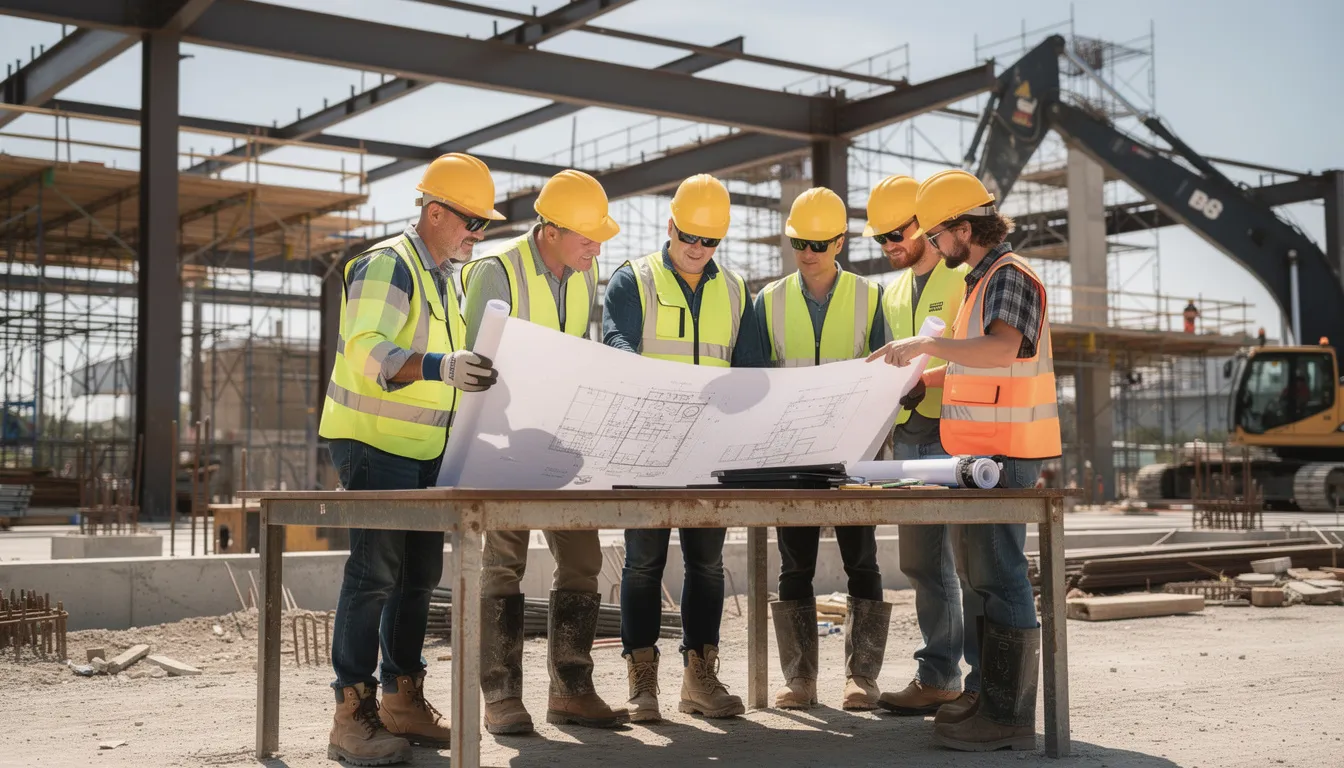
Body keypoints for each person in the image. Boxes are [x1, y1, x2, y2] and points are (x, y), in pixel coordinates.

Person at [318, 153, 502, 766]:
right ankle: (351, 714)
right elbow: (367, 349)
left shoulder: (444, 275)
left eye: (482, 225)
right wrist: (438, 367)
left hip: (425, 449)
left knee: (418, 578)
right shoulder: (388, 266)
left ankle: (402, 698)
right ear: (433, 212)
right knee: (374, 576)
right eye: (469, 223)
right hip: (374, 444)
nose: (477, 235)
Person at [868, 169, 1061, 752]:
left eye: (937, 232)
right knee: (983, 575)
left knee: (1002, 576)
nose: (934, 243)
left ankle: (1009, 714)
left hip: (1005, 455)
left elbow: (1002, 350)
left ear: (961, 227)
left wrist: (926, 344)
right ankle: (986, 695)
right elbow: (975, 361)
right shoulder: (981, 283)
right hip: (980, 455)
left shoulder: (1008, 277)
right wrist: (924, 376)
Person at [460, 169, 628, 734]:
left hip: (563, 441)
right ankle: (501, 694)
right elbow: (476, 363)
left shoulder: (585, 273)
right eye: (587, 236)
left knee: (581, 560)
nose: (596, 248)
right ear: (550, 230)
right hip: (502, 441)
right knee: (503, 560)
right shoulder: (495, 271)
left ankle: (571, 688)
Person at [604, 173, 767, 723]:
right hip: (649, 448)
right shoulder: (634, 280)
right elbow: (617, 347)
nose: (698, 249)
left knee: (708, 565)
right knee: (643, 564)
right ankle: (642, 680)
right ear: (670, 225)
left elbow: (749, 370)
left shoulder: (737, 289)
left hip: (710, 453)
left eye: (710, 241)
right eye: (689, 236)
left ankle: (700, 676)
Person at [753, 186, 890, 711]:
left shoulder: (869, 297)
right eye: (797, 242)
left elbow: (886, 376)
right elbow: (758, 381)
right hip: (793, 454)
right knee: (795, 565)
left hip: (856, 453)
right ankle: (800, 680)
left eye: (816, 242)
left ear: (839, 242)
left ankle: (862, 678)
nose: (806, 252)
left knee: (863, 560)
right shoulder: (770, 300)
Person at [860, 175, 980, 721]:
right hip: (911, 435)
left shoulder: (963, 280)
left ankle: (966, 682)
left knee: (971, 563)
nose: (889, 245)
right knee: (919, 561)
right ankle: (939, 678)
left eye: (896, 232)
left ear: (926, 223)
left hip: (957, 432)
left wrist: (922, 383)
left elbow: (979, 357)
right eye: (880, 237)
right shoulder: (893, 291)